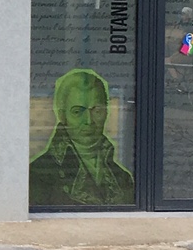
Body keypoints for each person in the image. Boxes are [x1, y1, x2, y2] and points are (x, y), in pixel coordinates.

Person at [28, 68, 135, 207]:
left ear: (106, 112)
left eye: (97, 111)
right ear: (62, 116)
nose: (89, 121)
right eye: (77, 112)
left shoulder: (122, 178)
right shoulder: (39, 175)